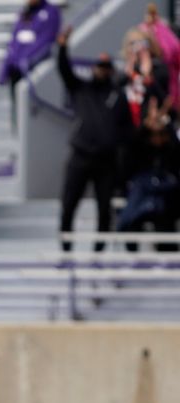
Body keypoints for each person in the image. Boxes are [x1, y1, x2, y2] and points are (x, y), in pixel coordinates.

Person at [56, 27, 133, 252]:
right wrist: (62, 47)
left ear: (111, 70)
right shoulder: (81, 88)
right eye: (99, 66)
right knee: (70, 202)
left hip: (106, 160)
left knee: (104, 206)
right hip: (80, 156)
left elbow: (127, 128)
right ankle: (65, 245)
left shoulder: (118, 95)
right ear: (93, 68)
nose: (102, 70)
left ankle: (99, 249)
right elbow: (64, 70)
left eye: (106, 67)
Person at [118, 96, 180, 252]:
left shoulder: (171, 148)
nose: (157, 138)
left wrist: (166, 123)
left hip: (166, 202)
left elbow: (176, 152)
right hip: (142, 199)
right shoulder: (140, 147)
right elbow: (128, 153)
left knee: (165, 221)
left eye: (161, 134)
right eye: (154, 134)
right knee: (133, 220)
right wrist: (146, 126)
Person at [139, 2, 180, 111]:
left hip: (167, 83)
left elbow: (172, 52)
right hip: (154, 86)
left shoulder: (163, 31)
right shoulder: (144, 30)